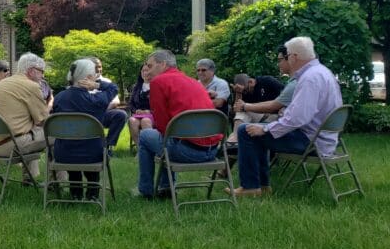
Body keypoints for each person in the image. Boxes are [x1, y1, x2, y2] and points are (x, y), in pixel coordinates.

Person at [229, 36, 342, 197]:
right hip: (324, 137)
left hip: (310, 141)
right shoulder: (323, 72)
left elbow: (297, 118)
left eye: (287, 56)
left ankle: (251, 187)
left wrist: (266, 129)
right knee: (253, 131)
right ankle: (263, 186)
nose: (287, 60)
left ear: (294, 57)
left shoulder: (309, 78)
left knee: (245, 131)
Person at [135, 50, 221, 200]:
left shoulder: (158, 82)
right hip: (213, 151)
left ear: (162, 64)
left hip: (186, 152)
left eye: (150, 65)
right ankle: (166, 188)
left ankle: (146, 191)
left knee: (146, 136)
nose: (147, 70)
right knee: (165, 138)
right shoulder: (194, 82)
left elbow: (162, 126)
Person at [51, 58, 119, 200]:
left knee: (72, 148)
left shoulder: (59, 98)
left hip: (63, 154)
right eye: (95, 74)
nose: (97, 76)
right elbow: (114, 88)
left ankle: (75, 194)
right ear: (88, 77)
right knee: (89, 147)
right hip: (92, 154)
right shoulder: (97, 100)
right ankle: (92, 195)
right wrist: (97, 85)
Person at [0, 53, 49, 184]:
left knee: (30, 131)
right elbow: (43, 121)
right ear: (31, 71)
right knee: (57, 136)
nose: (43, 76)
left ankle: (30, 179)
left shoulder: (3, 83)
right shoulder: (32, 86)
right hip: (10, 146)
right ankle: (57, 184)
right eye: (41, 71)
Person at [227, 51, 288, 143]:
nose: (245, 93)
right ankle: (234, 139)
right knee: (242, 113)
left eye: (245, 90)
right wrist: (238, 93)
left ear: (251, 82)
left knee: (245, 111)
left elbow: (285, 94)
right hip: (257, 116)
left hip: (275, 115)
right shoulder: (242, 92)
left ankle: (233, 140)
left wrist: (282, 107)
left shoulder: (267, 81)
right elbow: (236, 110)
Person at [88, 57, 127, 156]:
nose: (98, 70)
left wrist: (101, 109)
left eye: (100, 67)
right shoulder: (82, 82)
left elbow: (115, 101)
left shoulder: (107, 82)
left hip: (104, 112)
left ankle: (108, 146)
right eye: (95, 67)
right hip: (87, 115)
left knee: (121, 115)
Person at [127, 64, 153, 151]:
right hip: (138, 115)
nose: (145, 73)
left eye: (147, 70)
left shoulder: (157, 85)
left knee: (145, 121)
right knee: (132, 121)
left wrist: (149, 111)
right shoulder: (136, 87)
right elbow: (130, 104)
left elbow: (161, 104)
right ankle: (140, 150)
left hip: (153, 114)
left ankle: (150, 149)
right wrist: (136, 110)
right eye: (143, 71)